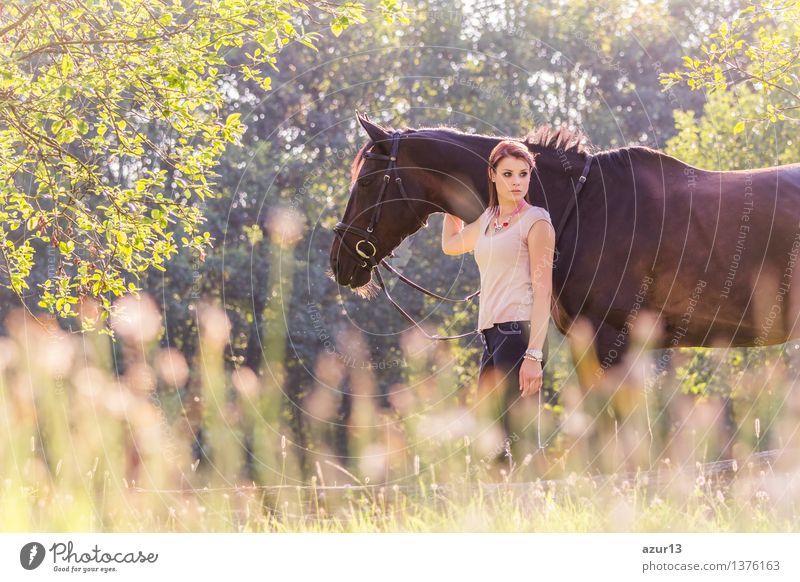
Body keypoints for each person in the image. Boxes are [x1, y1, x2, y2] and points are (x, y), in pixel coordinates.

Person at [441, 139, 556, 448]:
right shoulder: (489, 219)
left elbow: (544, 290)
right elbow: (451, 245)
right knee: (489, 433)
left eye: (523, 173)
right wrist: (447, 202)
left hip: (520, 333)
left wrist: (534, 355)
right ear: (491, 174)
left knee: (518, 437)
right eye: (507, 174)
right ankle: (500, 495)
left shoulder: (537, 221)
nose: (517, 182)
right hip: (491, 335)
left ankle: (529, 493)